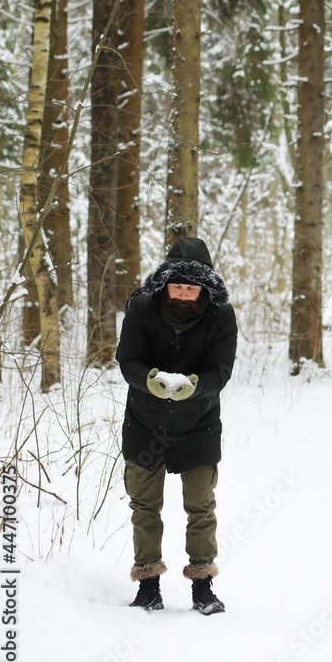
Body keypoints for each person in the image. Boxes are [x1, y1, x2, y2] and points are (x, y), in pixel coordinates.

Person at [115, 236, 237, 614]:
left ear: (204, 287)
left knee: (201, 507)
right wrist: (149, 380)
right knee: (144, 507)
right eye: (177, 286)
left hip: (198, 425)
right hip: (144, 423)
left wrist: (197, 387)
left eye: (192, 287)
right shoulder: (141, 306)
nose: (184, 295)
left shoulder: (221, 315)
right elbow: (127, 359)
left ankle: (203, 587)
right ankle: (148, 586)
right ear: (165, 282)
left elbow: (221, 370)